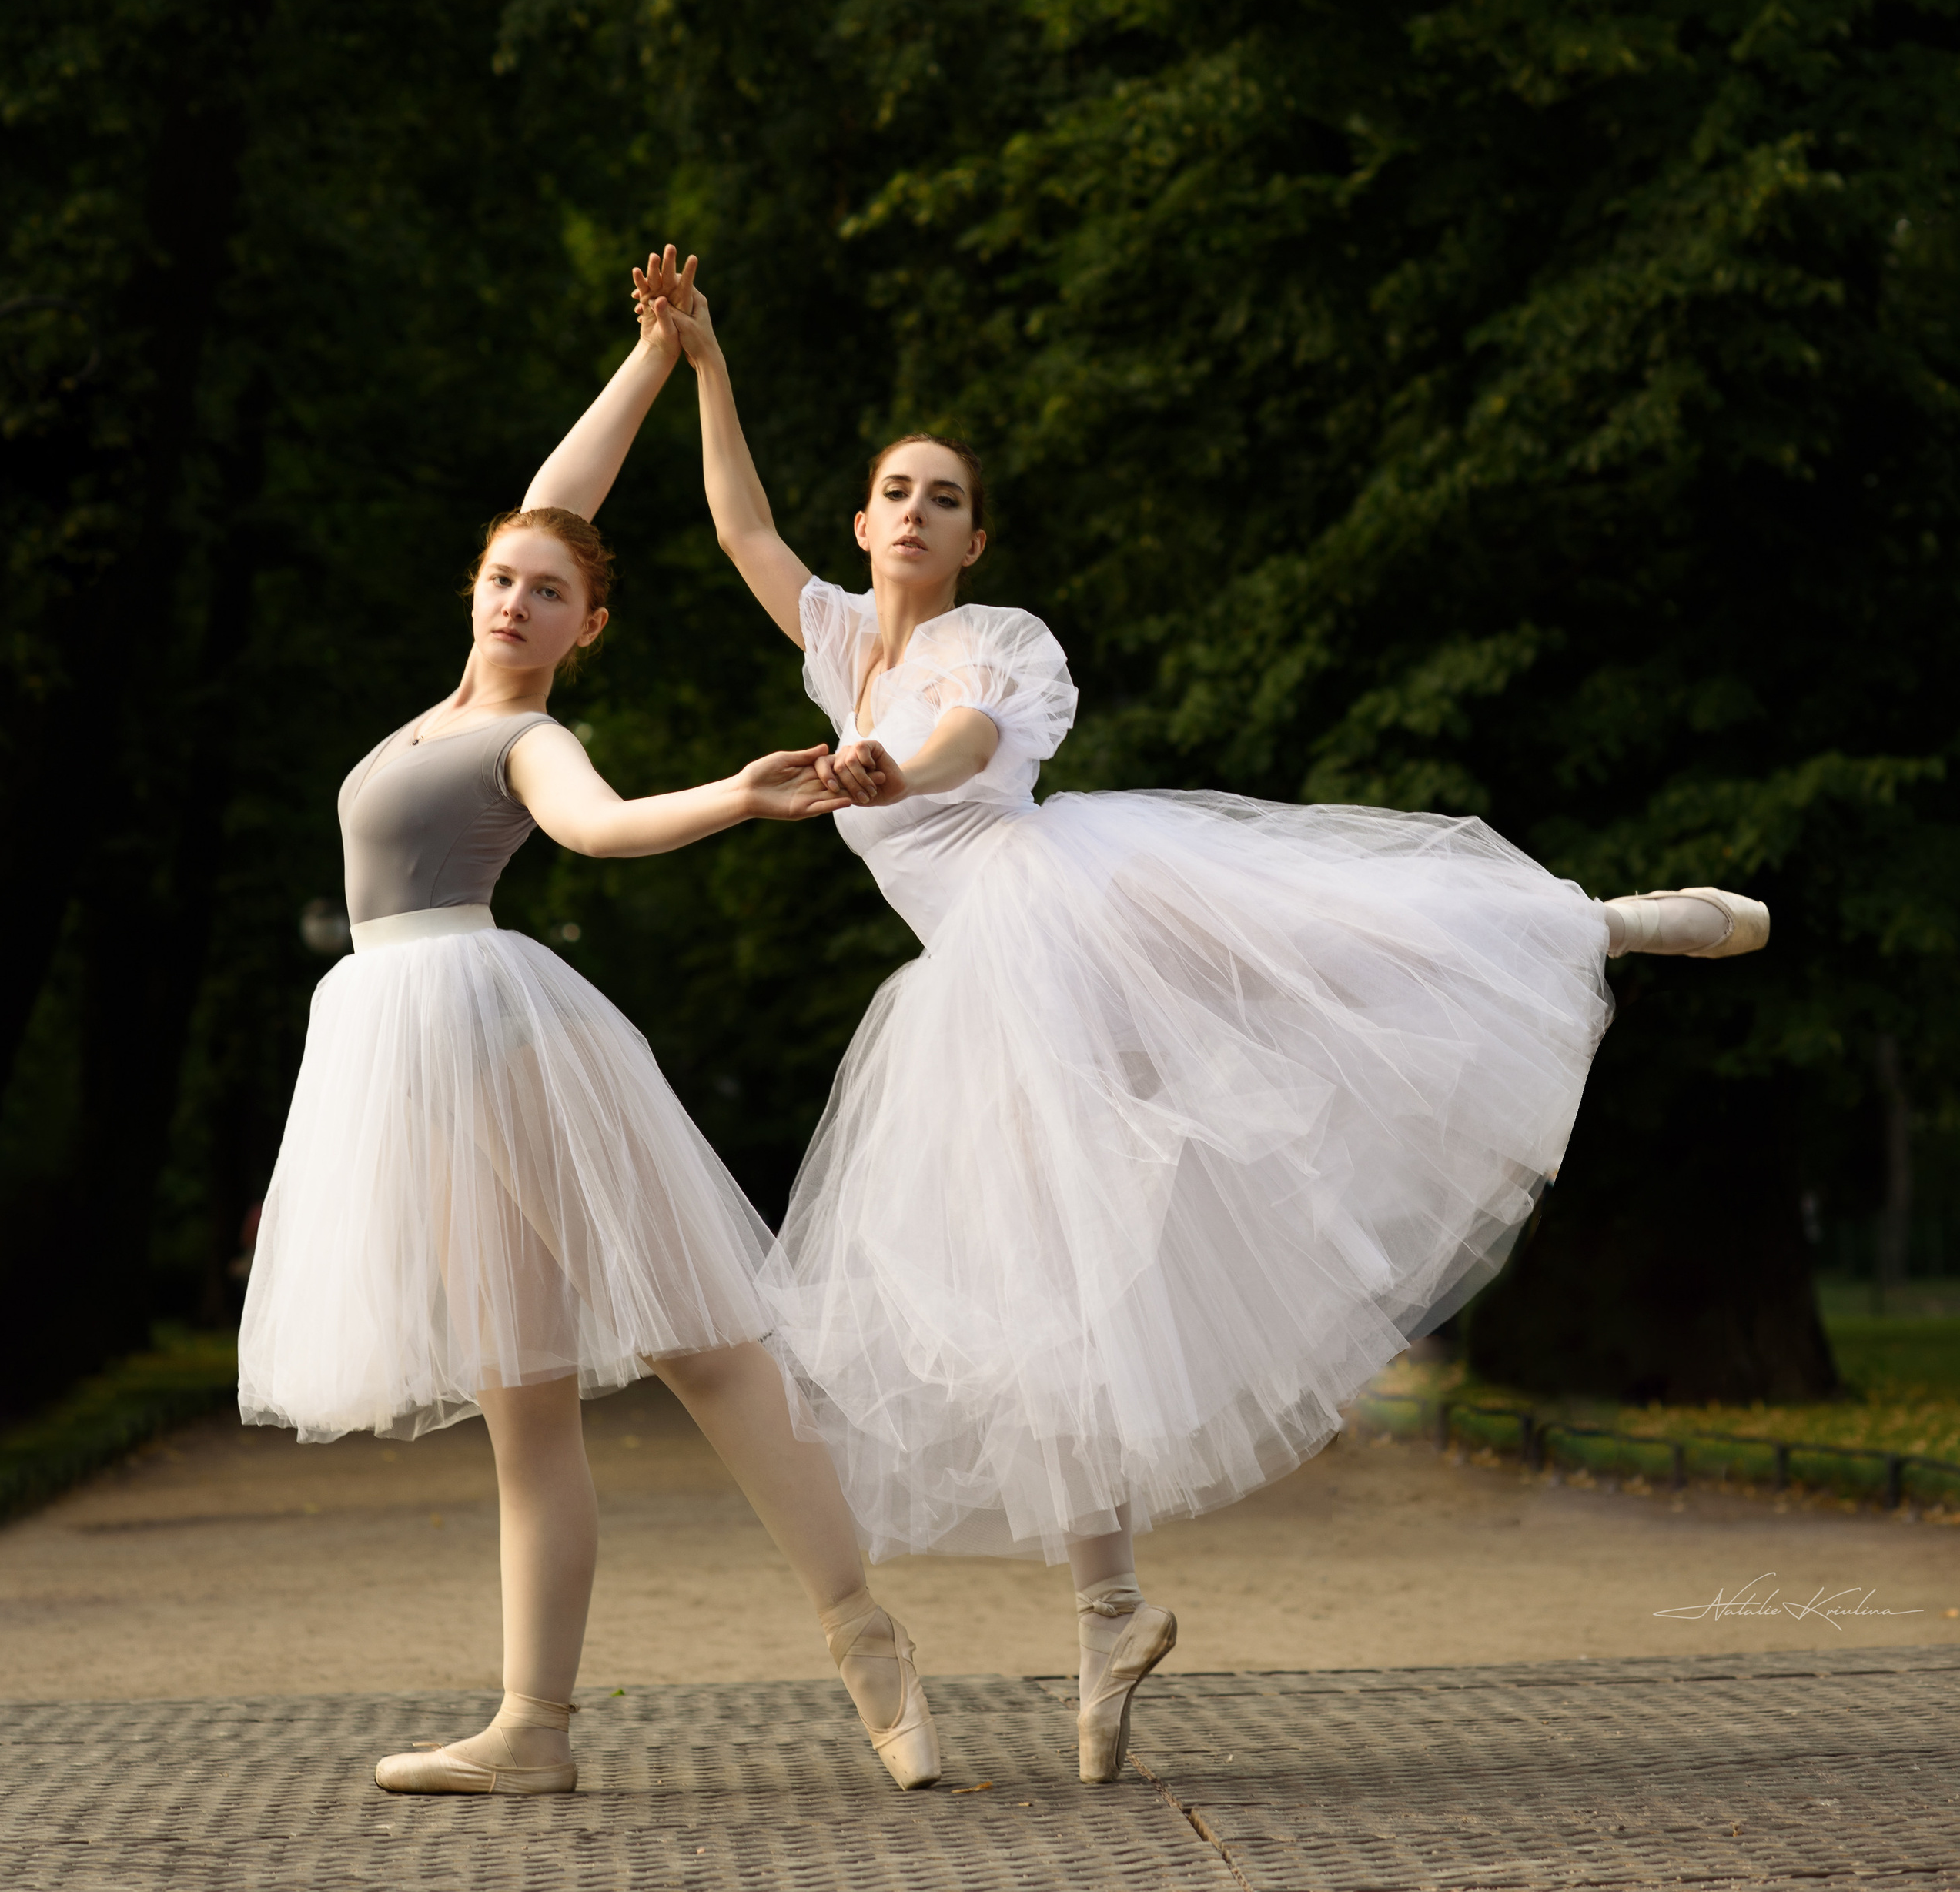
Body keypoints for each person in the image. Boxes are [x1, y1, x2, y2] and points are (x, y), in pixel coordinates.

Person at [648, 265, 1769, 1786]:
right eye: (892, 492)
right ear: (861, 526)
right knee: (1054, 1298)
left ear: (977, 537)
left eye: (944, 497)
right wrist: (702, 354)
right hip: (984, 990)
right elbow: (736, 528)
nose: (912, 511)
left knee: (1318, 943)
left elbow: (971, 742)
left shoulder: (995, 643)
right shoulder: (841, 648)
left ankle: (1592, 921)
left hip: (1061, 903)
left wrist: (891, 777)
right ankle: (1108, 1612)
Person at [237, 252, 939, 1800]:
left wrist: (742, 795)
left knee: (702, 1345)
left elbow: (605, 827)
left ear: (585, 630)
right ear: (474, 587)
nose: (517, 595)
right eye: (501, 578)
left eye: (549, 593)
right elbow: (553, 502)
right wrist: (657, 354)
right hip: (409, 1055)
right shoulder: (448, 696)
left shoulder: (529, 734)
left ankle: (866, 1639)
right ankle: (534, 1726)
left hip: (487, 1034)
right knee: (522, 1397)